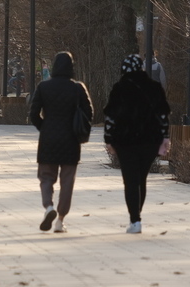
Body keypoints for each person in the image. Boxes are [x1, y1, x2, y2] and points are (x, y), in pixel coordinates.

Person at [104, 54, 170, 234]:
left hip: (125, 141)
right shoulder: (154, 88)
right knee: (141, 179)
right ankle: (137, 214)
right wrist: (165, 137)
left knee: (130, 181)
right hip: (149, 140)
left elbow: (110, 117)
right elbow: (163, 115)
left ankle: (135, 220)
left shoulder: (119, 89)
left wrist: (108, 139)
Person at [29, 51, 93, 233]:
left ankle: (49, 207)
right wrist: (78, 129)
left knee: (46, 177)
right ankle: (60, 220)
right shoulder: (78, 88)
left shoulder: (43, 87)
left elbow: (33, 114)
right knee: (67, 181)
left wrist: (44, 127)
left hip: (48, 138)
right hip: (70, 140)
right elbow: (89, 113)